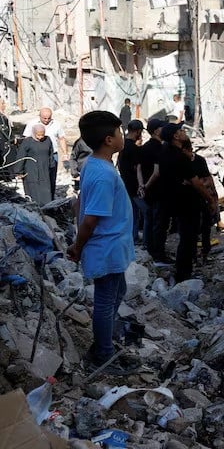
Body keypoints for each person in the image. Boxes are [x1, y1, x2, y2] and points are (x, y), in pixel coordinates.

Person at [66, 111, 137, 373]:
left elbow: (80, 205)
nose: (122, 136)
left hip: (111, 246)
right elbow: (90, 218)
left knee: (117, 292)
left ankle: (104, 343)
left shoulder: (96, 165)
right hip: (105, 247)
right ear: (109, 139)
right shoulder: (104, 174)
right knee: (106, 300)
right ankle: (103, 354)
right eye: (119, 132)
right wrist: (78, 246)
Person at [157, 123, 215, 282]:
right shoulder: (179, 157)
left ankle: (184, 270)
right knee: (188, 239)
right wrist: (210, 200)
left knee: (186, 237)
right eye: (181, 130)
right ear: (175, 136)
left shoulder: (164, 152)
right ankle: (184, 273)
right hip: (187, 202)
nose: (184, 132)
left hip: (175, 201)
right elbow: (196, 182)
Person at [180, 137, 217, 265]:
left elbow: (208, 179)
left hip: (203, 197)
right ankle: (193, 256)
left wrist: (211, 197)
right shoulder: (181, 161)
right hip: (187, 200)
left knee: (206, 227)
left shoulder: (199, 161)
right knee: (192, 230)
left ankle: (205, 254)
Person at [138, 118, 168, 262]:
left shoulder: (144, 147)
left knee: (152, 221)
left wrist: (142, 185)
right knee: (159, 224)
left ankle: (152, 250)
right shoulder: (159, 148)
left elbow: (138, 167)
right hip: (158, 191)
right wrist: (147, 186)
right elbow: (157, 172)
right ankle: (159, 255)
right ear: (156, 130)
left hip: (149, 191)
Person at [23, 107, 68, 200]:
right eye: (44, 118)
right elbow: (26, 140)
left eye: (49, 118)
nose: (47, 120)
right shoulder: (32, 124)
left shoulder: (56, 124)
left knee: (51, 176)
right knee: (38, 177)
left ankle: (50, 197)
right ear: (39, 116)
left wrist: (65, 153)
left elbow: (62, 138)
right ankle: (37, 198)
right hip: (36, 155)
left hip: (52, 154)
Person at [117, 119, 144, 243]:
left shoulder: (122, 145)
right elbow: (138, 168)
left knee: (132, 212)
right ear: (138, 131)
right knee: (144, 211)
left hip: (125, 182)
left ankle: (133, 236)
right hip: (133, 185)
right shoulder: (133, 148)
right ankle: (139, 239)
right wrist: (141, 185)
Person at [17, 124, 54, 206]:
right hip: (31, 169)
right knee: (33, 189)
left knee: (46, 188)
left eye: (42, 134)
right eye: (38, 135)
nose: (40, 137)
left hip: (44, 168)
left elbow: (50, 153)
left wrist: (51, 165)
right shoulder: (27, 141)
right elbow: (21, 156)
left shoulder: (47, 140)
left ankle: (47, 207)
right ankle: (35, 206)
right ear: (34, 133)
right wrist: (19, 171)